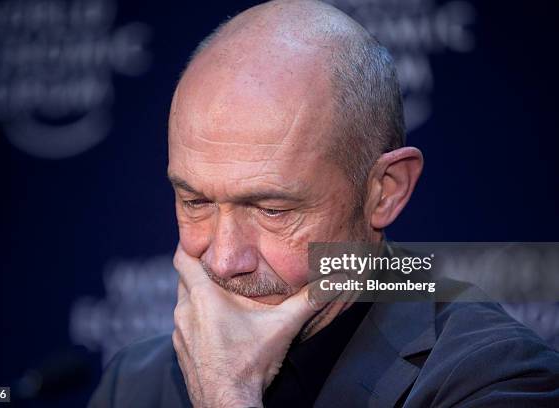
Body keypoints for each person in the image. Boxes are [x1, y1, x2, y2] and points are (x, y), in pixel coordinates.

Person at [88, 1, 559, 406]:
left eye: (272, 210)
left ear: (385, 190)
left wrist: (229, 396)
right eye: (195, 202)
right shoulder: (134, 383)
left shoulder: (493, 376)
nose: (226, 259)